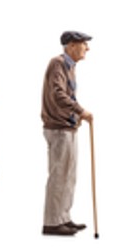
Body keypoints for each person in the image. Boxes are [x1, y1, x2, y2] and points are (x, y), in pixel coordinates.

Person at [40, 31, 94, 237]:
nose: (87, 48)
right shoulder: (58, 63)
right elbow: (58, 93)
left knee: (69, 176)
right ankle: (52, 222)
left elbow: (66, 95)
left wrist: (76, 116)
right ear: (71, 45)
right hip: (58, 127)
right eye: (83, 44)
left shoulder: (70, 66)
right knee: (59, 175)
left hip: (68, 126)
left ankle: (64, 217)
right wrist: (81, 110)